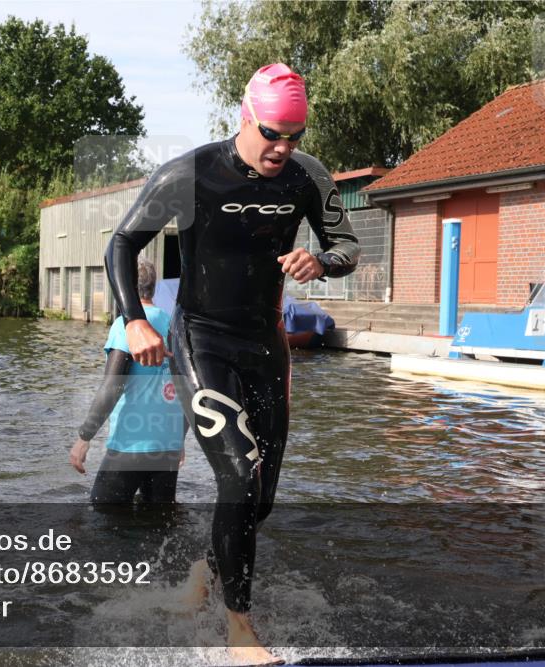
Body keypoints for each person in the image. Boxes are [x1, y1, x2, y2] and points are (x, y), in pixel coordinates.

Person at [105, 63, 360, 664]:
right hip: (202, 340)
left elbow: (347, 245)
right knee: (240, 480)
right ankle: (239, 629)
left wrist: (321, 263)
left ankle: (204, 571)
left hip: (265, 344)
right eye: (272, 133)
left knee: (260, 498)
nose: (283, 148)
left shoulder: (307, 176)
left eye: (294, 136)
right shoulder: (190, 173)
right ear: (246, 118)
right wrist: (134, 318)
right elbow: (122, 242)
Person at [69, 258, 186, 504]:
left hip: (131, 445)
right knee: (157, 521)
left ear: (124, 287)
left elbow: (112, 386)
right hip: (168, 446)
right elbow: (185, 388)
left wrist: (84, 437)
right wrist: (180, 439)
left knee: (102, 514)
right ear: (152, 287)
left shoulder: (128, 326)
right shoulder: (173, 325)